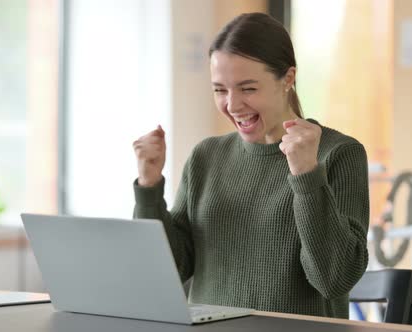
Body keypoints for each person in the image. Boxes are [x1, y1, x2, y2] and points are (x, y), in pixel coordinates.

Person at [132, 12, 369, 319]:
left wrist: (307, 175)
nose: (232, 105)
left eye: (247, 88)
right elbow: (167, 271)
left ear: (287, 78)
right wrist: (149, 188)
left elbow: (334, 279)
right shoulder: (206, 156)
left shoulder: (339, 154)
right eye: (220, 89)